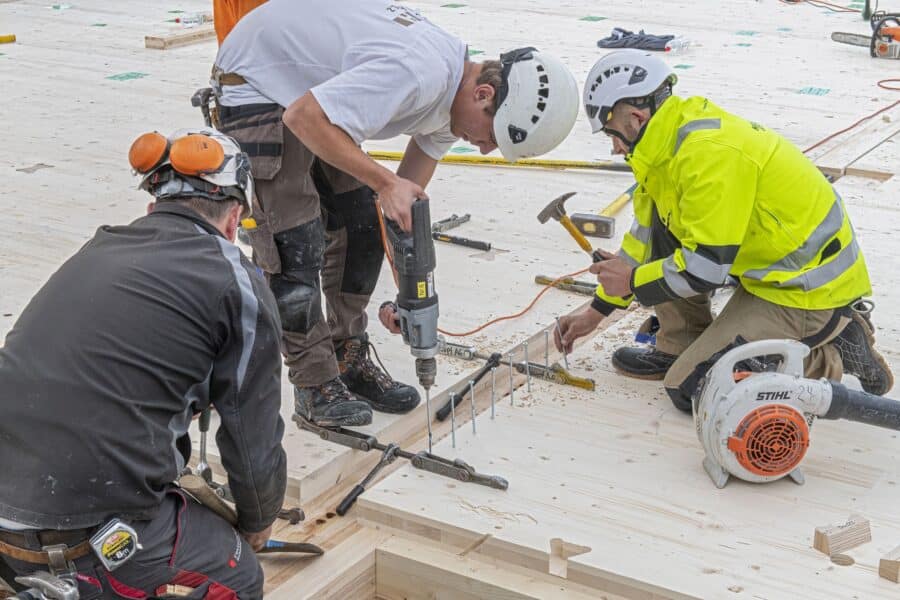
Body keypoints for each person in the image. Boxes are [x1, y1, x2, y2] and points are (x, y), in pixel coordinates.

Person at [210, 0, 580, 428]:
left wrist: (410, 295)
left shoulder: (454, 101)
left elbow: (400, 208)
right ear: (484, 95)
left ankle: (346, 354)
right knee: (294, 242)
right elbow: (303, 117)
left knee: (363, 225)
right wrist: (385, 184)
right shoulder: (417, 74)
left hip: (310, 90)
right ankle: (313, 385)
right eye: (491, 137)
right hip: (256, 84)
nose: (483, 149)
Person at [0, 129, 286, 598]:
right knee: (238, 575)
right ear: (234, 220)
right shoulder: (235, 283)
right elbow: (252, 444)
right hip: (89, 543)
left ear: (153, 207)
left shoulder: (99, 249)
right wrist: (256, 523)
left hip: (5, 521)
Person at [555, 49, 893, 412]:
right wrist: (597, 311)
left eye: (612, 133)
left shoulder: (707, 156)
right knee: (663, 239)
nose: (613, 146)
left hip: (808, 292)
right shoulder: (662, 149)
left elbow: (705, 269)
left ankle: (836, 351)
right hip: (770, 277)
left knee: (695, 388)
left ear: (637, 118)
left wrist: (633, 280)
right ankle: (680, 344)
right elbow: (646, 241)